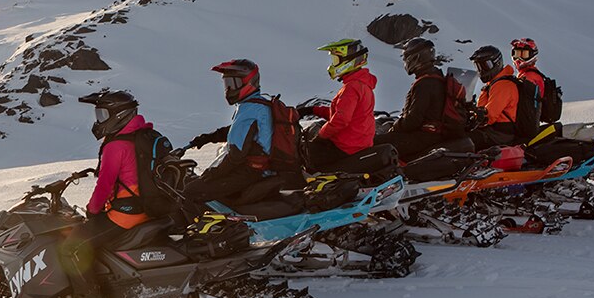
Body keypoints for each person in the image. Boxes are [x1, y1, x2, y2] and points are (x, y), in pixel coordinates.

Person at [58, 90, 156, 298]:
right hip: (146, 209)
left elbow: (105, 186)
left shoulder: (116, 145)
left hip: (125, 214)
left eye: (103, 115)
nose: (99, 121)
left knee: (71, 247)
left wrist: (92, 211)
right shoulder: (144, 134)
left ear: (119, 115)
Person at [184, 59, 302, 209]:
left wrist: (212, 173)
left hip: (249, 171)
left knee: (189, 192)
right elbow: (241, 131)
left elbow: (236, 155)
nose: (228, 89)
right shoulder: (259, 105)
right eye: (227, 84)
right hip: (259, 169)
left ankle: (204, 231)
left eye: (233, 84)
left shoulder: (250, 108)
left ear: (249, 82)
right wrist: (207, 138)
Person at [377, 37, 471, 160]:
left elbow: (413, 120)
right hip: (436, 134)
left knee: (376, 144)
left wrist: (394, 127)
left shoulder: (424, 84)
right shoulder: (439, 78)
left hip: (425, 137)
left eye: (406, 58)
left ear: (415, 58)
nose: (405, 62)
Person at [302, 39, 378, 173]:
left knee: (304, 152)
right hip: (359, 142)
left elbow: (341, 119)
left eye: (335, 60)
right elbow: (341, 112)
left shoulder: (352, 87)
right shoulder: (363, 84)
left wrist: (320, 136)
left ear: (349, 60)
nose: (333, 64)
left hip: (348, 146)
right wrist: (312, 110)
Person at [468, 44, 522, 149]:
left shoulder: (503, 85)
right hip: (494, 131)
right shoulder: (494, 84)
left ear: (496, 63)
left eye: (485, 66)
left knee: (464, 142)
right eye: (478, 67)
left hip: (500, 134)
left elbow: (489, 116)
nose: (482, 70)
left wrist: (476, 117)